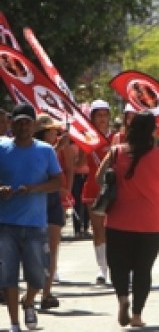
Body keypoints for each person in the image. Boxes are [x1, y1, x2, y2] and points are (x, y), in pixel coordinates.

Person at [96, 111, 159, 327]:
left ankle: (123, 298)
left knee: (118, 266)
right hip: (152, 222)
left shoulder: (116, 152)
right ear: (153, 131)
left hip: (118, 220)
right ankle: (137, 316)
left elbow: (98, 178)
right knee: (143, 268)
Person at [0, 103, 64, 331]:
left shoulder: (45, 151)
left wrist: (36, 188)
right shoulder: (1, 148)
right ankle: (15, 322)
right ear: (11, 124)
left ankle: (29, 302)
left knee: (38, 276)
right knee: (7, 275)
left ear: (34, 125)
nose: (23, 126)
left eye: (27, 122)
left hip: (36, 224)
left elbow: (58, 181)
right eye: (19, 122)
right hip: (6, 224)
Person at [34, 114, 75, 310]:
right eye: (52, 130)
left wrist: (66, 189)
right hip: (36, 200)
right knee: (33, 248)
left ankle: (47, 292)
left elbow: (65, 170)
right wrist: (59, 147)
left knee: (52, 247)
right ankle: (36, 288)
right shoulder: (33, 149)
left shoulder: (56, 149)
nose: (55, 133)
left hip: (53, 200)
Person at [79, 99, 116, 284]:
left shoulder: (117, 138)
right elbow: (79, 166)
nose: (102, 119)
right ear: (92, 118)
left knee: (115, 230)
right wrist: (80, 151)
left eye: (104, 115)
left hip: (115, 190)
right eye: (98, 115)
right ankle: (102, 269)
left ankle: (118, 266)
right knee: (98, 230)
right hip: (93, 189)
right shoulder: (86, 140)